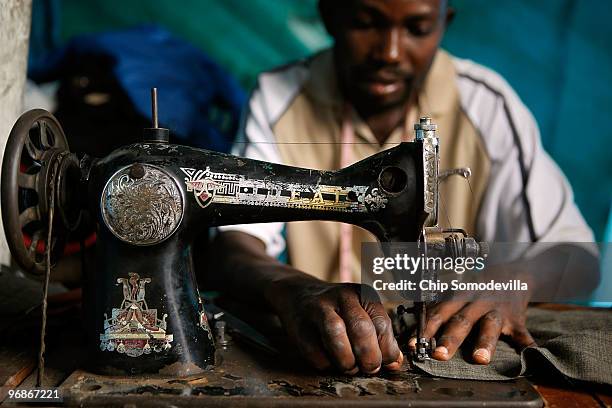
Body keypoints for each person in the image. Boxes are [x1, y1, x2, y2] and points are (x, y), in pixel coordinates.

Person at [210, 0, 596, 375]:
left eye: (417, 28)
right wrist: (293, 288)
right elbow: (234, 245)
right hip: (315, 350)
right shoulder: (280, 97)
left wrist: (515, 281)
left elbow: (579, 257)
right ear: (330, 14)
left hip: (448, 344)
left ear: (446, 21)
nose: (390, 52)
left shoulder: (486, 105)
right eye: (365, 22)